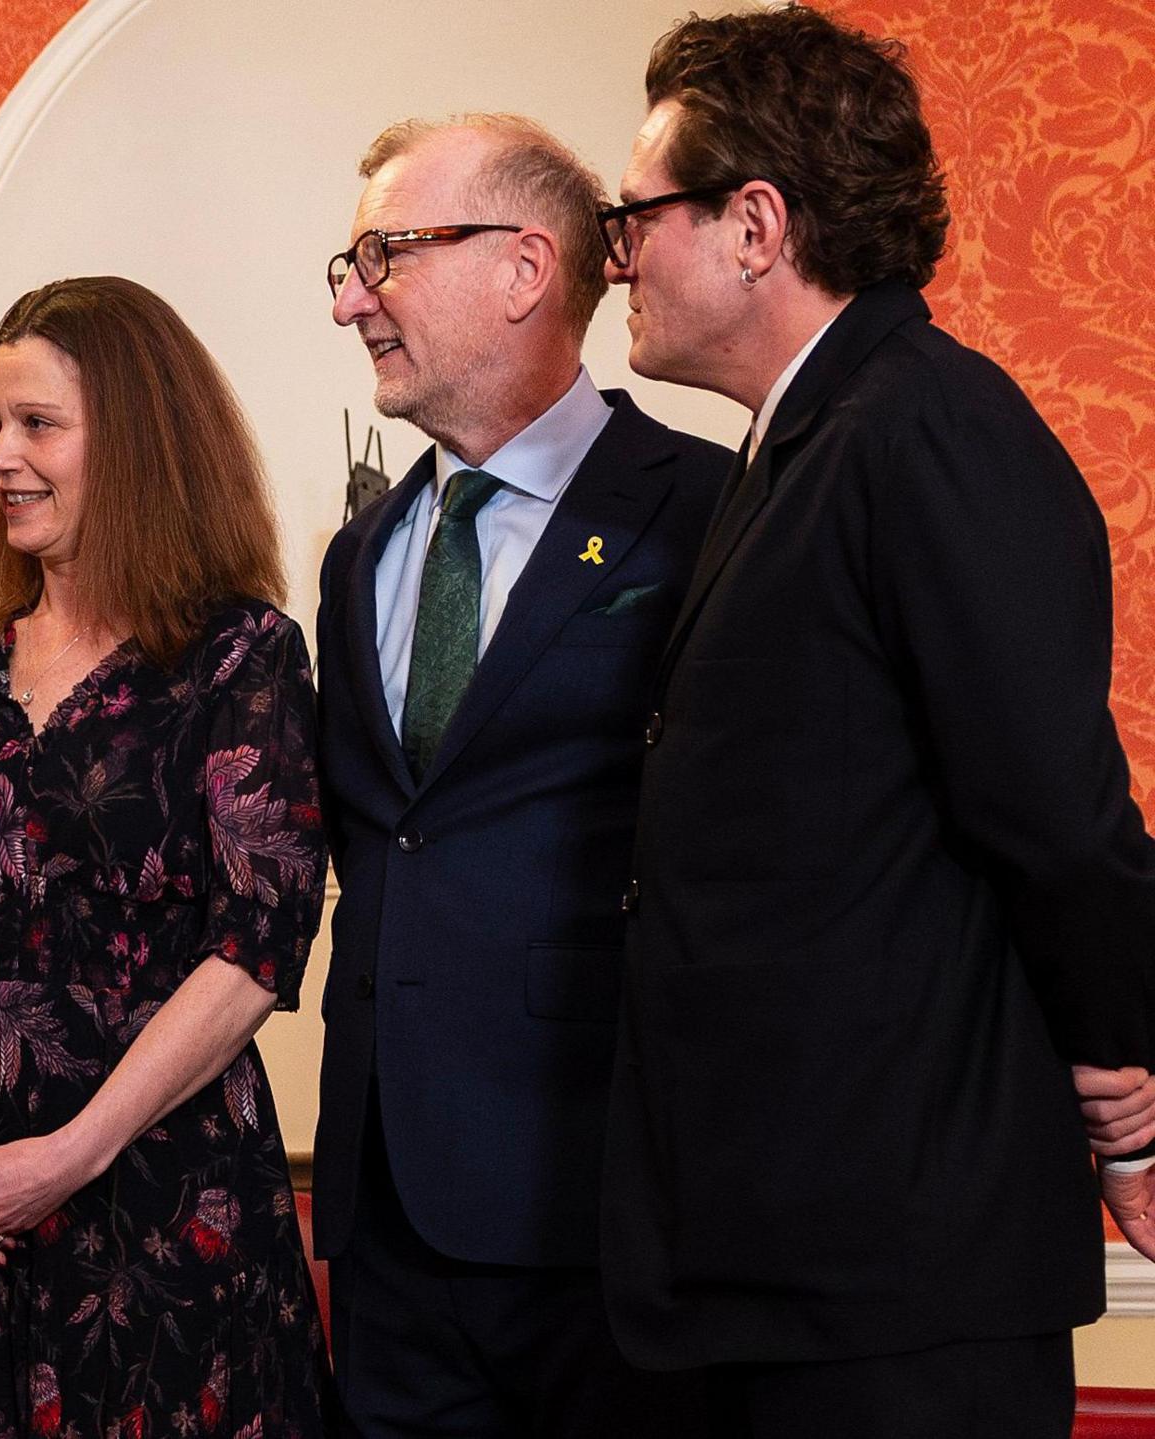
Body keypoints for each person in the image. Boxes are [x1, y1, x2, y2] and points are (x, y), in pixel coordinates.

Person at [602, 8, 1155, 1434]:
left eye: (637, 217)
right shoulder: (809, 441)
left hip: (901, 1279)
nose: (621, 260)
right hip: (795, 1252)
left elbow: (1058, 818)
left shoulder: (927, 429)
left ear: (755, 224)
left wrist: (1130, 1080)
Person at [0, 275, 329, 1436]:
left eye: (35, 425)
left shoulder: (239, 656)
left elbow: (252, 947)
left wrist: (69, 1153)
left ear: (138, 441)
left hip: (164, 1210)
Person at [314, 115, 727, 1437]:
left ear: (525, 267)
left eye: (385, 254)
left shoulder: (713, 513)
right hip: (385, 1221)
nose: (348, 298)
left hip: (600, 1211)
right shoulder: (361, 554)